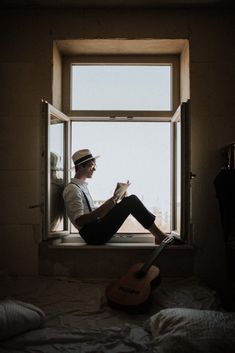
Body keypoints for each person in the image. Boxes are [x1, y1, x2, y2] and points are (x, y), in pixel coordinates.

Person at [63, 149, 169, 245]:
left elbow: (97, 216)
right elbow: (79, 221)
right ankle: (159, 236)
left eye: (95, 165)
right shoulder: (72, 189)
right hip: (93, 235)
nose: (94, 169)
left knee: (129, 200)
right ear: (81, 167)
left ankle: (158, 236)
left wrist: (115, 201)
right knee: (132, 201)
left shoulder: (82, 187)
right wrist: (105, 206)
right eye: (91, 165)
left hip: (96, 230)